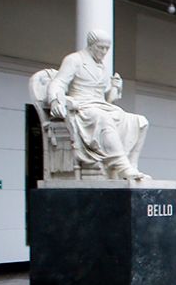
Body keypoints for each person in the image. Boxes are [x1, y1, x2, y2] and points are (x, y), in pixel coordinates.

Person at [47, 30, 149, 180]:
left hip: (101, 106)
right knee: (102, 118)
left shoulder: (101, 67)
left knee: (140, 121)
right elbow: (59, 82)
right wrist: (55, 100)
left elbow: (108, 99)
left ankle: (132, 164)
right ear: (91, 45)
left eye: (107, 48)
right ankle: (122, 166)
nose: (104, 51)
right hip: (81, 107)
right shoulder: (74, 60)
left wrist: (115, 87)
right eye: (100, 47)